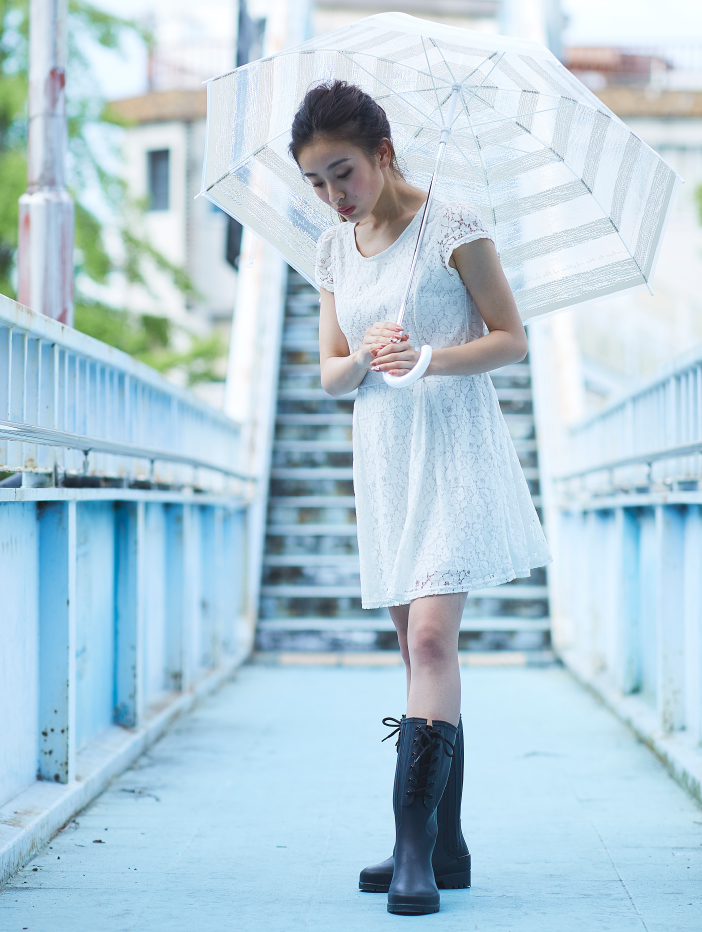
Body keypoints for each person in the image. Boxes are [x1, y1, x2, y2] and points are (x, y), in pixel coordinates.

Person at [289, 80, 551, 916]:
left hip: (456, 447)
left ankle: (411, 851)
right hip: (387, 459)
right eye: (318, 184)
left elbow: (511, 339)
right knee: (415, 658)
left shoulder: (455, 225)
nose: (333, 197)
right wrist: (368, 355)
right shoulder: (333, 250)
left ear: (384, 155)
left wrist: (430, 357)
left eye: (343, 174)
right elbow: (331, 375)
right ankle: (447, 844)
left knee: (433, 642)